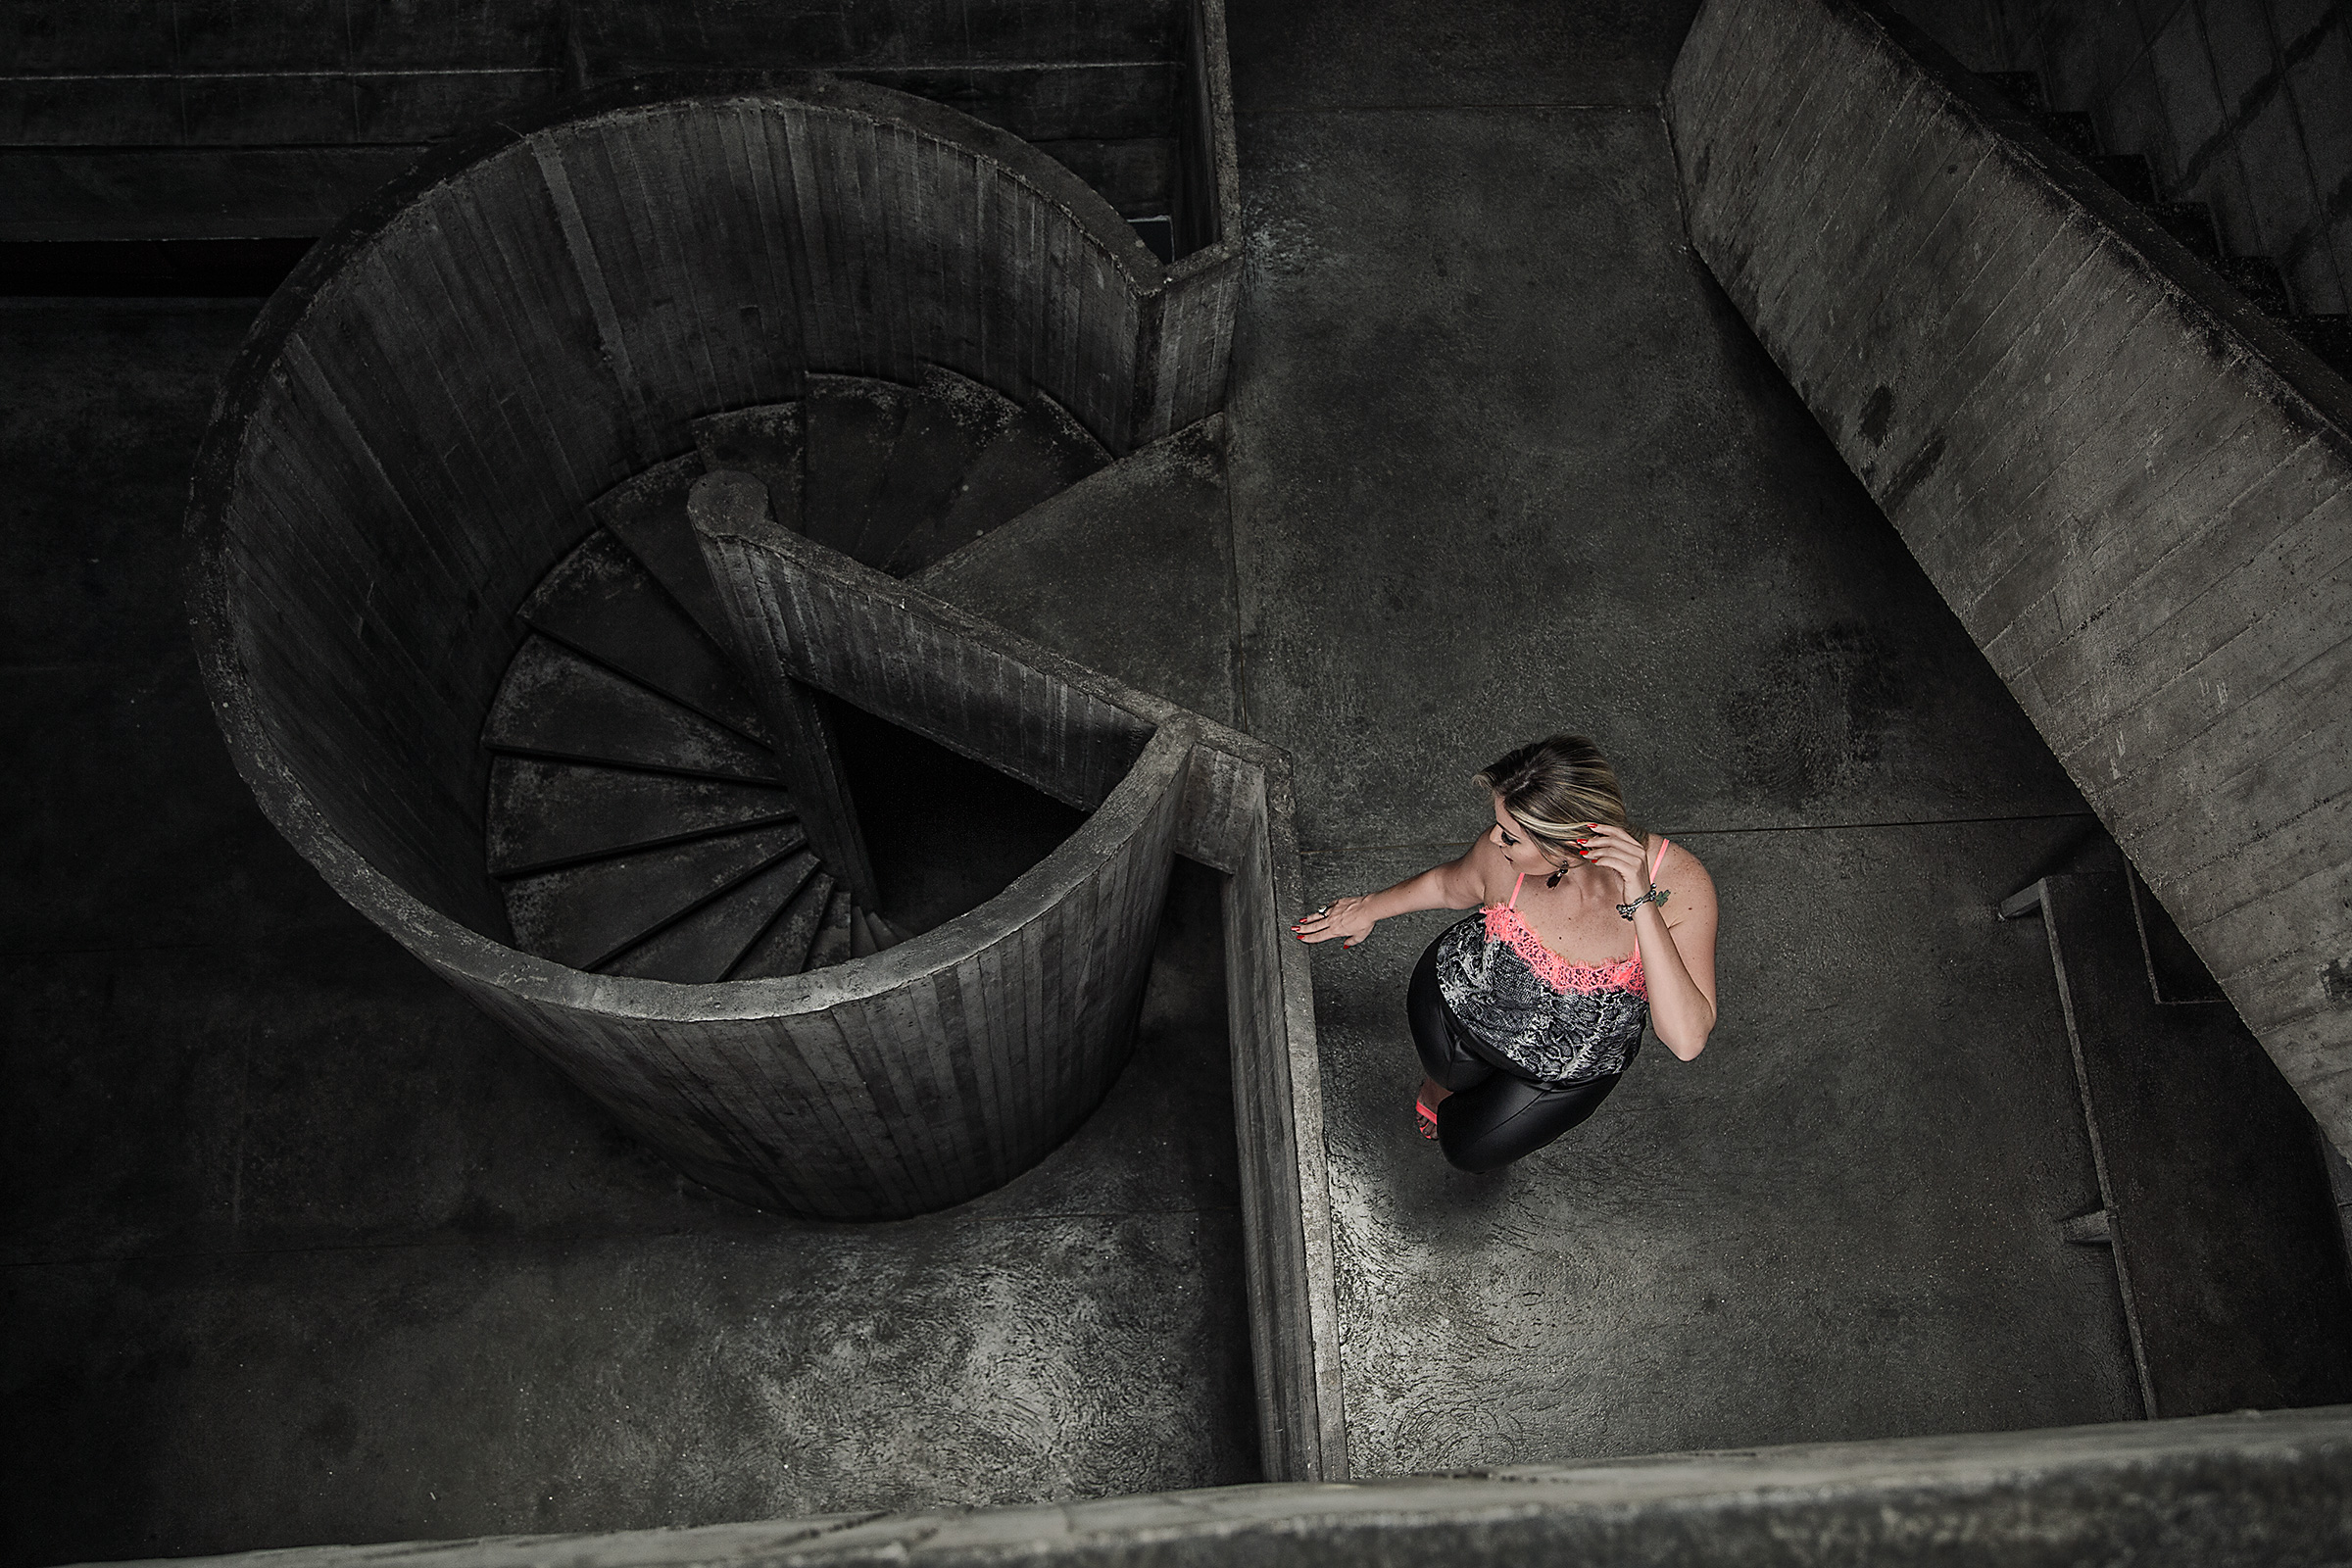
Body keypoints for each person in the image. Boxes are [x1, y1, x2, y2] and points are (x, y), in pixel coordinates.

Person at [1291, 735, 1717, 1173]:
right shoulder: (1502, 857)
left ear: (1568, 847)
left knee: (1468, 1150)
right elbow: (1447, 886)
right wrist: (1366, 910)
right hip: (1465, 1002)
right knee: (1448, 1070)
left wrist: (1642, 903)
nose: (1495, 839)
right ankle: (1440, 1086)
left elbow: (1686, 1040)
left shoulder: (1681, 886)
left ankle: (1457, 1094)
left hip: (1563, 1067)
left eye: (1510, 836)